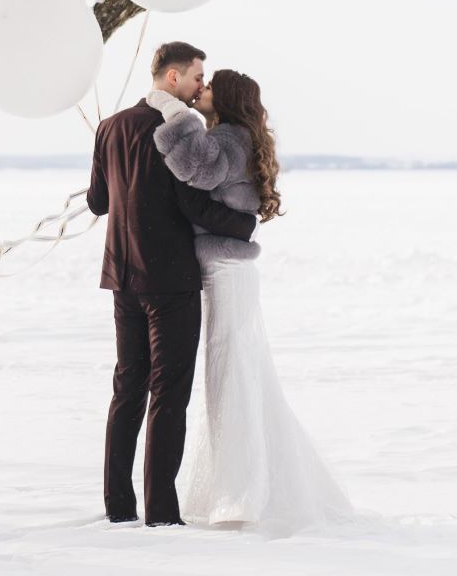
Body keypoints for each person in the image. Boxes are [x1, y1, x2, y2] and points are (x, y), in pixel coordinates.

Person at [148, 68, 352, 532]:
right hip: (230, 270)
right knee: (238, 373)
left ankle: (242, 494)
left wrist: (172, 110)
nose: (203, 90)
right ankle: (245, 483)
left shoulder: (229, 141)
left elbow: (193, 167)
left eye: (210, 85)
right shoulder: (235, 137)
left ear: (228, 97)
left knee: (231, 375)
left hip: (225, 272)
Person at [86, 41, 258, 527]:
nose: (202, 85)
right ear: (173, 78)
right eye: (198, 76)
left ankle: (118, 508)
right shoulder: (175, 130)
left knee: (127, 389)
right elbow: (192, 205)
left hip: (122, 275)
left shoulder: (110, 126)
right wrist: (246, 225)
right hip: (171, 278)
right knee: (168, 394)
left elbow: (99, 202)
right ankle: (161, 514)